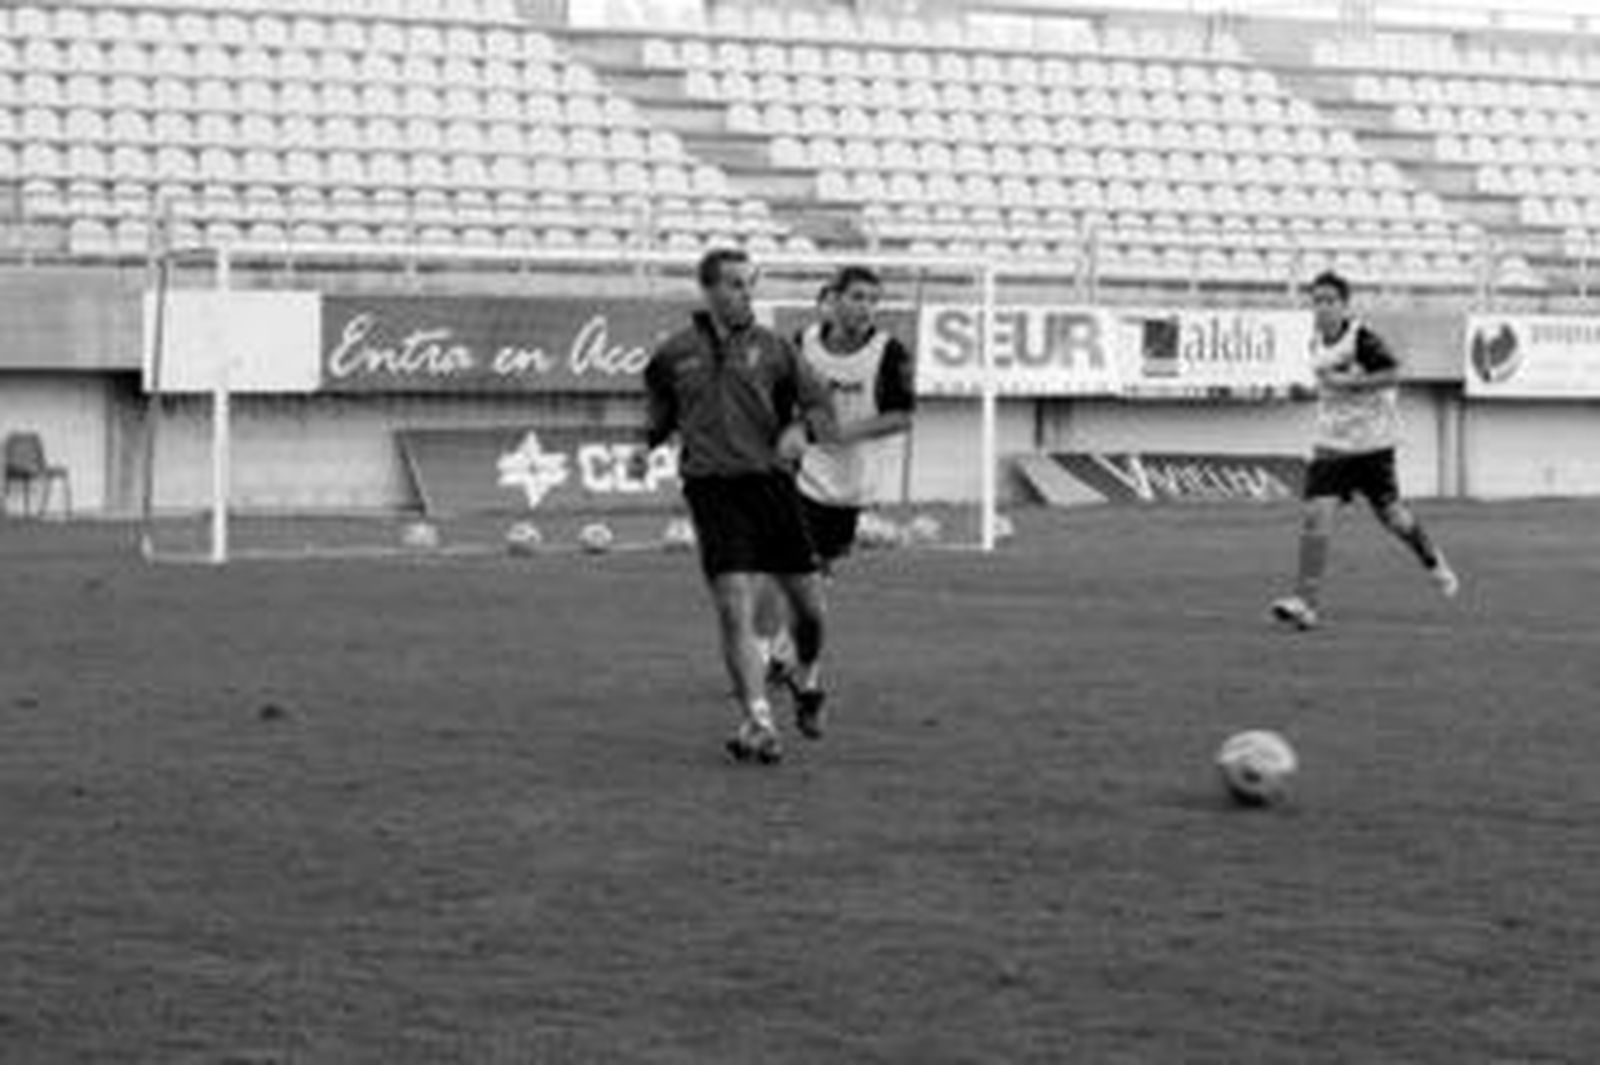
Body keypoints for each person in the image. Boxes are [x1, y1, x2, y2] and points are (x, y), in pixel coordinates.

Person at [638, 249, 837, 763]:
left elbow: (819, 404)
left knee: (810, 612)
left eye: (749, 284)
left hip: (772, 488)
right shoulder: (672, 355)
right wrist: (645, 446)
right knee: (733, 605)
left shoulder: (775, 349)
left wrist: (798, 429)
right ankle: (757, 717)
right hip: (712, 490)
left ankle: (806, 675)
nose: (745, 293)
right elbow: (660, 415)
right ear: (708, 290)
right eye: (734, 284)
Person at [754, 266, 916, 730]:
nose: (865, 307)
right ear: (834, 299)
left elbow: (902, 416)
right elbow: (777, 397)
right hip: (798, 476)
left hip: (846, 489)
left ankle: (786, 657)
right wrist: (789, 431)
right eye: (858, 297)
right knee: (779, 566)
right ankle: (784, 670)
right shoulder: (801, 343)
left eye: (872, 299)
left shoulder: (888, 353)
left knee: (812, 581)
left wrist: (845, 433)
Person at [1270, 271, 1458, 630]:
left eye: (1330, 300)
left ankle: (1433, 561)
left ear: (1344, 304)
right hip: (1332, 444)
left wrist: (1352, 382)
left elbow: (1393, 373)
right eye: (1317, 300)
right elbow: (1328, 389)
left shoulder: (1362, 338)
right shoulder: (1315, 343)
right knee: (1316, 513)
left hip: (1373, 445)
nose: (1323, 307)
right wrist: (1305, 394)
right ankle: (1305, 604)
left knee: (1394, 519)